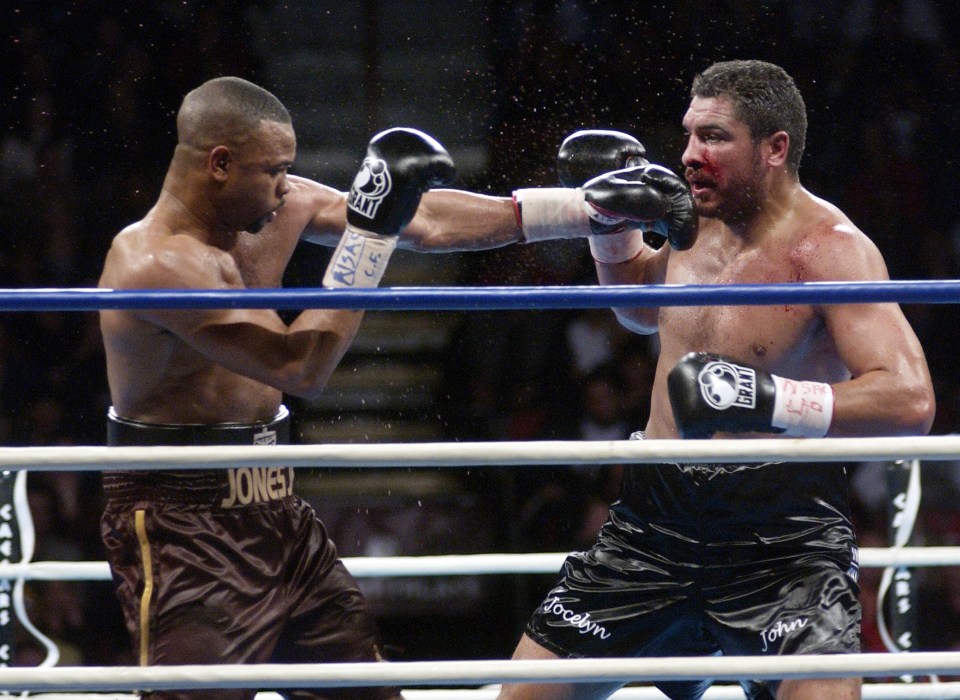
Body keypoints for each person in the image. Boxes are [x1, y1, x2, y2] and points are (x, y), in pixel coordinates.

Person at [489, 59, 935, 700]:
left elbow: (910, 398)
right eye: (689, 134)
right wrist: (613, 238)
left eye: (715, 137)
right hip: (654, 522)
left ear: (775, 148)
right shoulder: (694, 221)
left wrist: (769, 398)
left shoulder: (831, 249)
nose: (690, 156)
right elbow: (645, 310)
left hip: (784, 534)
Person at [96, 76, 464, 700]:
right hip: (185, 527)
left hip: (278, 511)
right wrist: (370, 239)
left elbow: (419, 216)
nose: (287, 186)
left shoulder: (271, 205)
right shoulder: (155, 263)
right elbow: (300, 368)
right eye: (275, 170)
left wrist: (578, 212)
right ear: (220, 164)